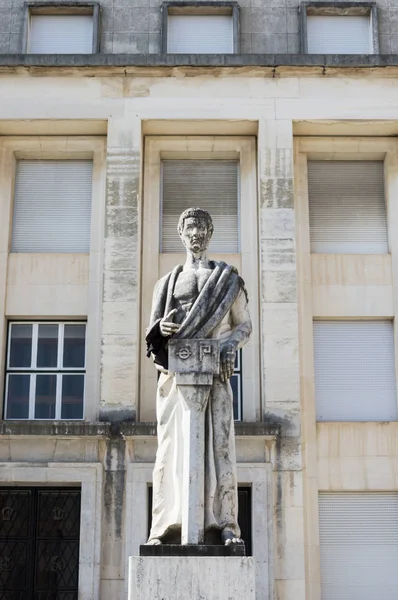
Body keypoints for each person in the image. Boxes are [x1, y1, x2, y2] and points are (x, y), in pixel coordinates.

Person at [145, 207, 252, 546]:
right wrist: (160, 329)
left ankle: (225, 526)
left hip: (215, 373)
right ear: (181, 233)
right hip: (177, 377)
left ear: (210, 233)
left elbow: (243, 325)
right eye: (190, 228)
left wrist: (230, 345)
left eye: (202, 228)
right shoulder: (167, 282)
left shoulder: (227, 280)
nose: (196, 234)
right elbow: (152, 332)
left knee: (220, 448)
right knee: (171, 451)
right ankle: (166, 527)